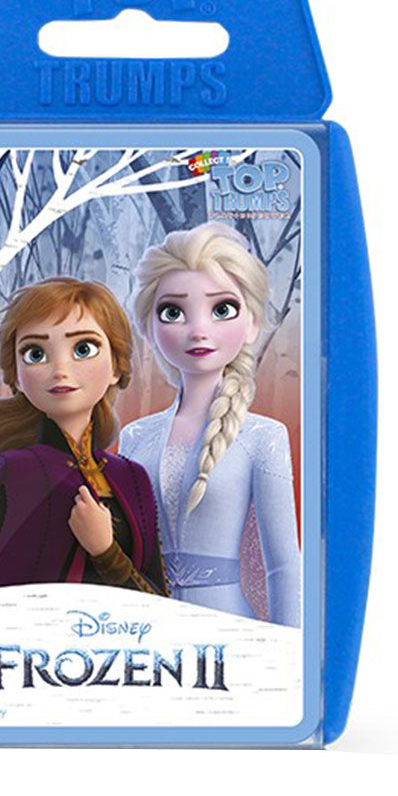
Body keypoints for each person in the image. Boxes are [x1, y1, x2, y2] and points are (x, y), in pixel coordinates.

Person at [119, 223, 300, 626]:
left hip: (228, 630)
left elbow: (284, 564)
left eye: (222, 310)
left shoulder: (263, 438)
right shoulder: (135, 437)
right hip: (150, 634)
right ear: (149, 329)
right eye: (173, 312)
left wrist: (289, 652)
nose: (199, 330)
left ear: (252, 324)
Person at [0, 277, 166, 597]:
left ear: (116, 367)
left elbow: (160, 601)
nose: (60, 370)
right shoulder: (15, 471)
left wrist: (106, 552)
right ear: (17, 377)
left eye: (83, 349)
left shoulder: (132, 478)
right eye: (35, 353)